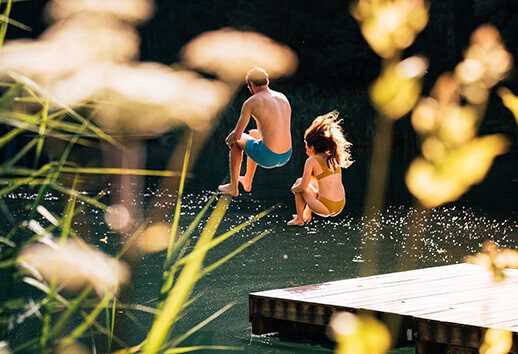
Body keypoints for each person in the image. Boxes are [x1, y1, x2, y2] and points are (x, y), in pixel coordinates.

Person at [218, 67, 292, 196]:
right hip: (287, 155)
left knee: (236, 143)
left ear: (251, 85)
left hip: (268, 157)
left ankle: (233, 186)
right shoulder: (282, 97)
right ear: (267, 82)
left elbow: (237, 135)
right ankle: (247, 180)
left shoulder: (251, 102)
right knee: (253, 133)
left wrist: (229, 140)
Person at [287, 111, 353, 226]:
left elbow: (302, 187)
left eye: (306, 146)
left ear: (312, 147)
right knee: (315, 181)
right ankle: (307, 214)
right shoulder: (333, 157)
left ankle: (299, 218)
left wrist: (294, 190)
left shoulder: (311, 161)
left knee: (299, 183)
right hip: (341, 204)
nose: (306, 150)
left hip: (325, 206)